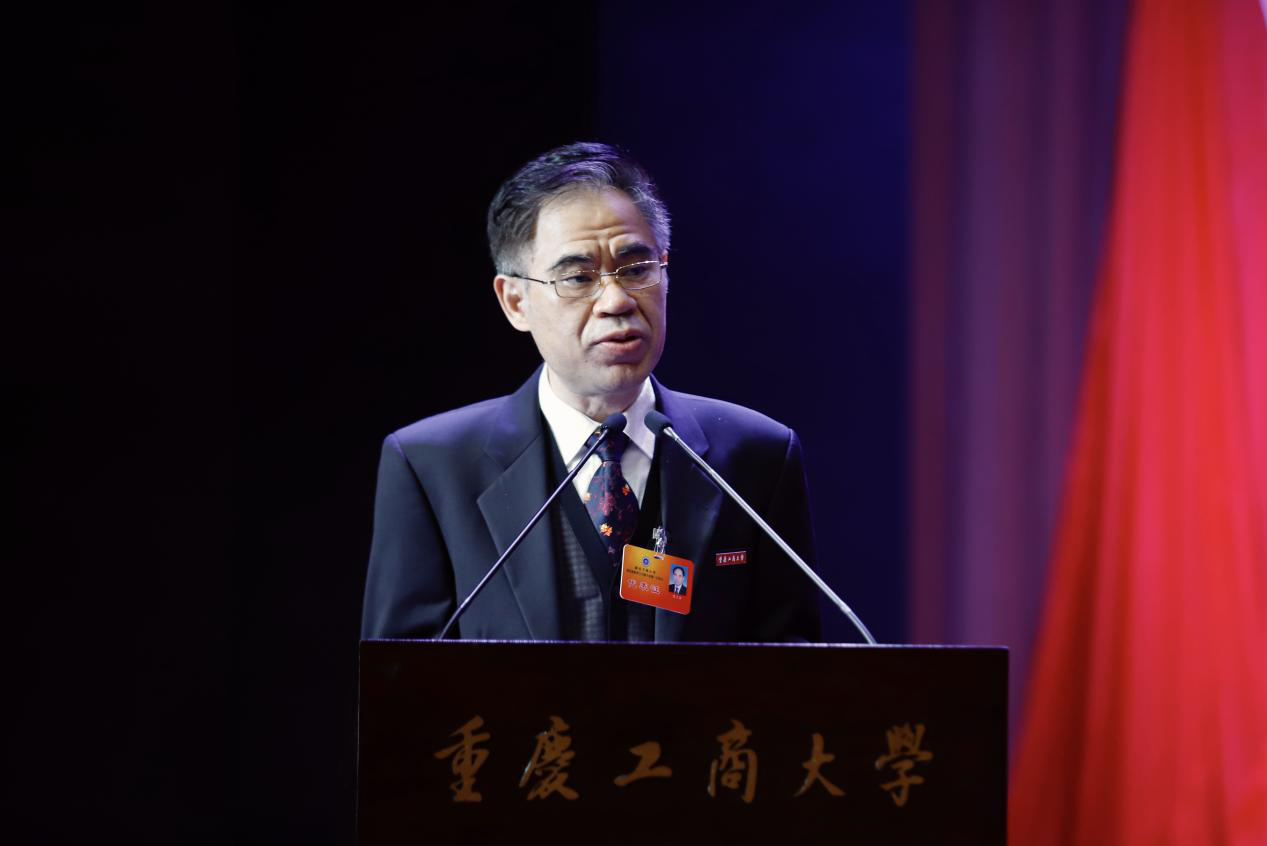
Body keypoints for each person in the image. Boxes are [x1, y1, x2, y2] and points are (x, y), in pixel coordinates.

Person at [360, 142, 820, 643]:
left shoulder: (755, 457)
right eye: (578, 278)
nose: (616, 301)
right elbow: (401, 680)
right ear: (515, 302)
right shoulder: (433, 466)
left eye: (637, 269)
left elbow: (791, 672)